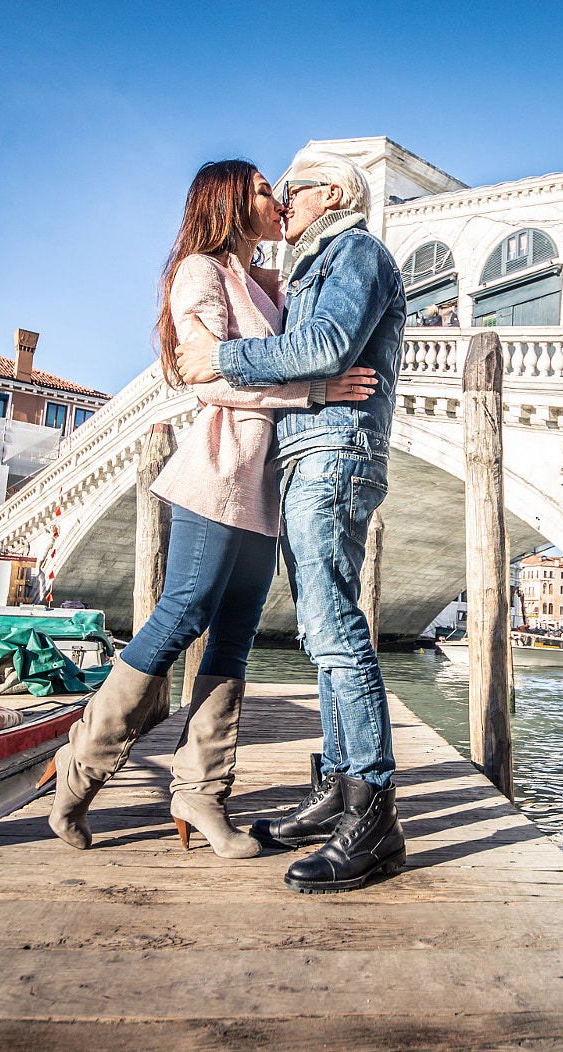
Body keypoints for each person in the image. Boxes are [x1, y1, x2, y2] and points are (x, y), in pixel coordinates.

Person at [44, 160, 376, 858]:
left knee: (233, 637)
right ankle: (79, 772)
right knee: (182, 613)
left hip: (266, 487)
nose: (277, 200)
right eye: (263, 190)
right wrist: (313, 393)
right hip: (219, 472)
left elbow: (259, 355)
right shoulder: (202, 269)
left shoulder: (276, 283)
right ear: (230, 202)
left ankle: (201, 793)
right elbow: (211, 377)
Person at [177, 148, 407, 894]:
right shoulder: (309, 266)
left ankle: (374, 816)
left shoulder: (357, 252)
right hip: (307, 454)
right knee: (318, 630)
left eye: (291, 189)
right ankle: (340, 788)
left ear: (331, 192)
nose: (281, 201)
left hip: (337, 452)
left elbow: (323, 347)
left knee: (335, 629)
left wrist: (225, 357)